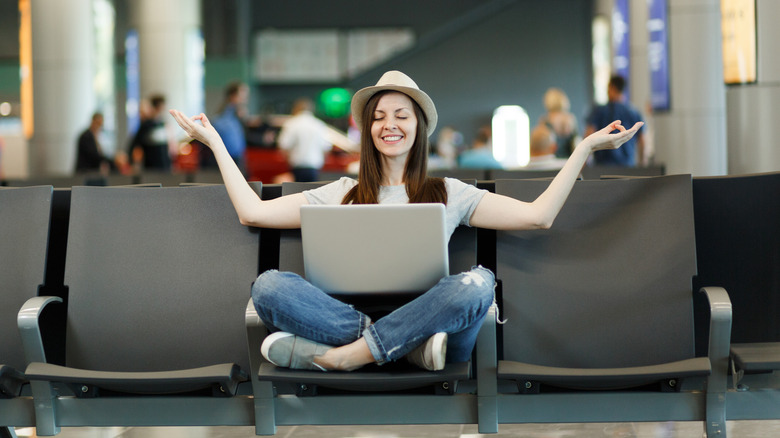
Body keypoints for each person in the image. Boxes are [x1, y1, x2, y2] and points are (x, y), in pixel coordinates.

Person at [169, 70, 642, 372]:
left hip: (442, 337)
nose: (389, 124)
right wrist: (214, 146)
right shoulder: (342, 194)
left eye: (401, 115)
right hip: (404, 339)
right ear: (369, 131)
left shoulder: (448, 192)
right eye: (378, 117)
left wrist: (582, 150)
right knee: (269, 285)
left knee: (478, 284)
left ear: (418, 127)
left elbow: (538, 217)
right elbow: (252, 211)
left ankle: (351, 357)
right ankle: (394, 347)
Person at [585, 75, 645, 166]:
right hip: (628, 167)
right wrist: (642, 163)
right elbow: (642, 140)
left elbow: (589, 135)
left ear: (611, 88)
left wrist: (584, 163)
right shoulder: (634, 112)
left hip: (602, 167)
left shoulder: (599, 111)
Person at [277, 97, 331, 182]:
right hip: (314, 168)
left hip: (297, 167)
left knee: (297, 192)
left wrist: (288, 160)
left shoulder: (291, 124)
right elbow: (326, 148)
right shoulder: (319, 124)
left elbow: (284, 146)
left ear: (296, 108)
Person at [211, 82, 249, 172]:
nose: (244, 100)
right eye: (242, 96)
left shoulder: (236, 115)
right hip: (229, 160)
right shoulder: (223, 117)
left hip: (238, 159)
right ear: (233, 96)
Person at [128, 94, 171, 171]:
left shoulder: (162, 124)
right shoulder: (146, 125)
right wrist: (132, 162)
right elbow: (134, 143)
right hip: (151, 168)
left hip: (165, 166)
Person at [539, 87, 580, 158]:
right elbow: (576, 142)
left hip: (552, 161)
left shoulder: (545, 121)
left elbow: (542, 146)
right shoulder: (571, 119)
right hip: (570, 160)